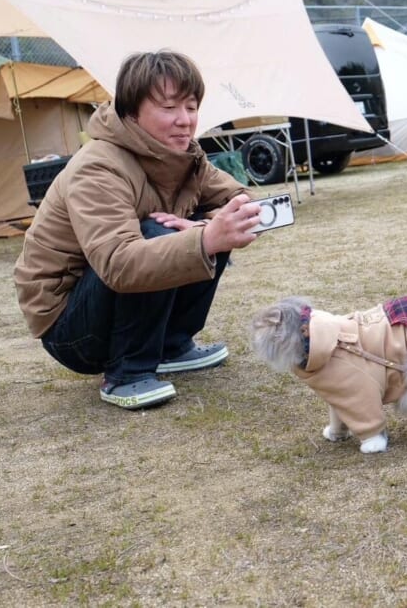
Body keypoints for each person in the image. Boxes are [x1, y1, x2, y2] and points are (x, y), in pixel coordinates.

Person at [14, 50, 264, 410]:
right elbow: (119, 263)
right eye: (168, 108)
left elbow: (242, 201)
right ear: (132, 111)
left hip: (108, 303)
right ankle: (126, 372)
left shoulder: (185, 157)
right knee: (159, 235)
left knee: (206, 230)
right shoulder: (99, 166)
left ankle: (172, 346)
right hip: (69, 330)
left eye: (191, 107)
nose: (184, 121)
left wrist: (205, 228)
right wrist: (204, 237)